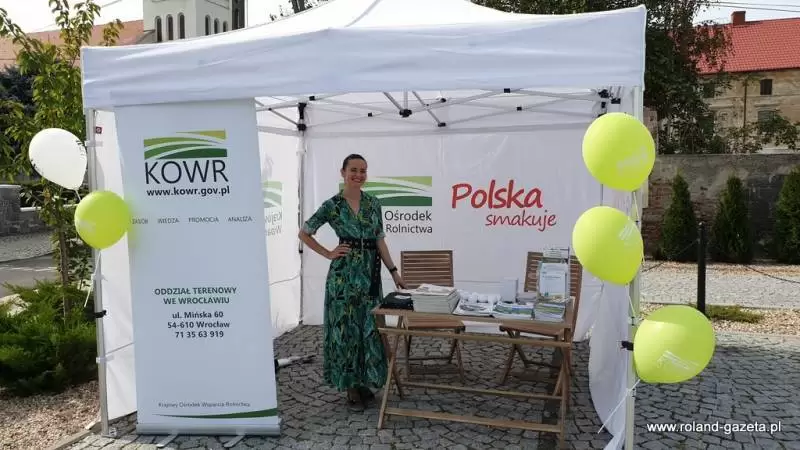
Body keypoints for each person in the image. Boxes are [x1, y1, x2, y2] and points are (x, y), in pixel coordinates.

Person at [298, 153, 406, 411]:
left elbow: (379, 240)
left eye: (363, 170)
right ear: (343, 172)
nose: (359, 175)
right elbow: (304, 233)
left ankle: (364, 381)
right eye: (354, 170)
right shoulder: (333, 205)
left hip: (369, 277)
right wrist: (328, 253)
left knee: (368, 329)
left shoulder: (373, 203)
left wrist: (393, 271)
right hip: (343, 279)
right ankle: (350, 387)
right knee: (346, 330)